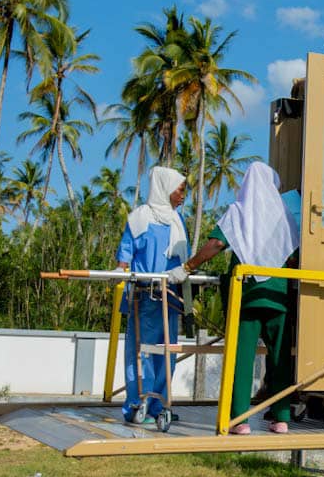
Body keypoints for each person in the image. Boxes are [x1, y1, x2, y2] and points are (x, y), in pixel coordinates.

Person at [170, 162, 299, 434]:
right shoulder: (284, 215)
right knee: (280, 357)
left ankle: (239, 421)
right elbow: (294, 252)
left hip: (247, 294)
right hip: (277, 294)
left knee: (241, 356)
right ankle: (281, 417)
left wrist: (187, 267)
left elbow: (216, 244)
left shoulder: (239, 212)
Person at [116, 166, 189, 423]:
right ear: (165, 187)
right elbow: (125, 255)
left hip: (170, 296)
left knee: (167, 352)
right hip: (144, 297)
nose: (183, 195)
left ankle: (160, 405)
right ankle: (138, 403)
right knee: (141, 352)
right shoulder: (140, 218)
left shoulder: (177, 221)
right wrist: (119, 272)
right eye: (180, 189)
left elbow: (183, 259)